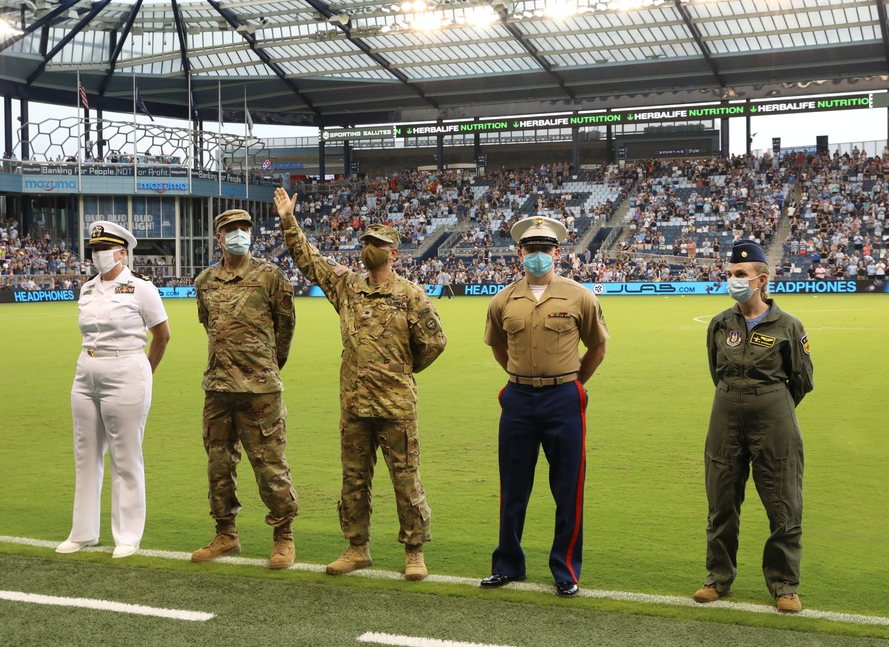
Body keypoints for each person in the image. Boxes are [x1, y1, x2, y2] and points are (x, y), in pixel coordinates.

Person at [274, 187, 447, 581]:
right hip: (354, 406)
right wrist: (289, 220)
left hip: (395, 406)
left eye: (379, 243)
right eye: (367, 242)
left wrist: (401, 369)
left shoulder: (410, 296)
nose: (371, 248)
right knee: (353, 481)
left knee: (405, 479)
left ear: (394, 253)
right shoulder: (347, 286)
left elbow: (435, 342)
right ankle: (357, 547)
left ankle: (414, 551)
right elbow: (310, 261)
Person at [480, 216, 608, 598]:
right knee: (513, 486)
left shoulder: (580, 296)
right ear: (520, 253)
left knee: (568, 486)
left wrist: (572, 384)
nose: (538, 255)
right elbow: (499, 347)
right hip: (518, 398)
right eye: (531, 249)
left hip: (563, 398)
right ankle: (508, 564)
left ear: (558, 253)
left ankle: (565, 569)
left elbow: (597, 347)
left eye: (545, 249)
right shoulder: (503, 299)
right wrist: (522, 378)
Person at [694, 240, 814, 613]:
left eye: (741, 275)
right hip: (725, 413)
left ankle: (784, 585)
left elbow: (802, 379)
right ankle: (718, 578)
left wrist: (768, 402)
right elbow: (717, 371)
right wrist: (739, 397)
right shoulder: (720, 324)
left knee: (783, 503)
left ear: (761, 280)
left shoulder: (788, 326)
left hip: (774, 417)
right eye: (730, 274)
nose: (733, 280)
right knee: (721, 500)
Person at [191, 209, 299, 570]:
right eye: (231, 229)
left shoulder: (270, 276)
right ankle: (226, 534)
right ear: (218, 236)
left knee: (270, 467)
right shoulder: (205, 281)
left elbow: (285, 330)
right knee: (218, 466)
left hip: (260, 390)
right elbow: (209, 325)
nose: (239, 234)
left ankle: (283, 536)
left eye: (244, 228)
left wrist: (264, 367)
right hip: (218, 388)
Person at [57, 221, 170, 559]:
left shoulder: (140, 288)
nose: (100, 255)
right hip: (86, 369)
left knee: (125, 456)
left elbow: (162, 336)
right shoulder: (88, 288)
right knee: (85, 454)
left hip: (126, 367)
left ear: (123, 252)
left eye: (105, 249)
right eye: (95, 249)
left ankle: (127, 535)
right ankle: (83, 532)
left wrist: (144, 373)